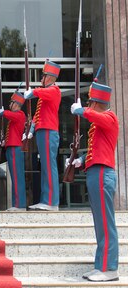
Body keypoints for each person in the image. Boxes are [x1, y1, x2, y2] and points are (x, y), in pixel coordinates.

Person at [68, 81, 119, 282]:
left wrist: (82, 111)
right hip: (95, 171)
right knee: (100, 224)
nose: (88, 105)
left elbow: (97, 116)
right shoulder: (98, 124)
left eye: (90, 102)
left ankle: (109, 268)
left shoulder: (109, 117)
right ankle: (101, 266)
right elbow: (97, 149)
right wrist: (81, 160)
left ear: (97, 103)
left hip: (102, 173)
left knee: (106, 223)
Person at [23, 60, 61, 211]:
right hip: (41, 131)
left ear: (50, 77)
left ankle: (51, 201)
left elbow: (42, 92)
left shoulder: (54, 90)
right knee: (45, 167)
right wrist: (31, 131)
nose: (41, 79)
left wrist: (33, 92)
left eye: (43, 76)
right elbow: (37, 115)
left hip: (48, 131)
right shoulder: (45, 94)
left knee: (49, 166)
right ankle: (46, 199)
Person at [0, 91, 27, 211]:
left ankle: (19, 205)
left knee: (17, 176)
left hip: (16, 148)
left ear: (16, 104)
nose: (10, 105)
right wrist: (4, 142)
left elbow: (11, 115)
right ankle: (16, 203)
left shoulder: (20, 114)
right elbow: (12, 133)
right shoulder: (13, 117)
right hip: (11, 147)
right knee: (14, 177)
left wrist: (3, 112)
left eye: (12, 103)